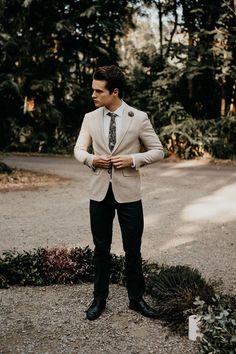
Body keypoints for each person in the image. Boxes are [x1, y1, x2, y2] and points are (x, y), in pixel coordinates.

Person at [74, 65, 164, 321]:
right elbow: (79, 150)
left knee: (132, 249)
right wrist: (92, 160)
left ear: (114, 91)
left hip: (129, 195)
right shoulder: (90, 118)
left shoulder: (139, 117)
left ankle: (136, 299)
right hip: (99, 192)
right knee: (101, 248)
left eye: (98, 91)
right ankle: (99, 299)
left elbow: (158, 150)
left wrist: (133, 159)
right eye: (93, 89)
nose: (93, 95)